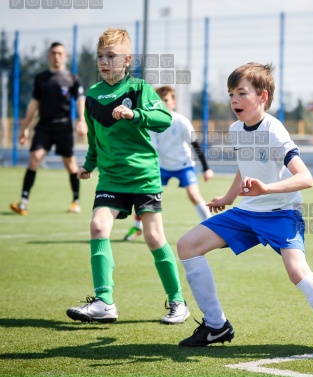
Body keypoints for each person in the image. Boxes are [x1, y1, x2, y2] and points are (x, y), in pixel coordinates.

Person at [176, 62, 313, 363]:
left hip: (281, 213)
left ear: (262, 96)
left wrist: (266, 188)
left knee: (297, 272)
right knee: (187, 246)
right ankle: (216, 326)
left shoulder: (274, 130)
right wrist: (228, 197)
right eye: (231, 94)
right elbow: (245, 166)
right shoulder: (237, 129)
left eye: (241, 93)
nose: (234, 101)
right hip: (247, 213)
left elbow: (305, 178)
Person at [65, 28, 190, 325]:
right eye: (100, 57)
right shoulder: (92, 97)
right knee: (98, 226)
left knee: (153, 237)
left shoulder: (139, 88)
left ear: (127, 60)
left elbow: (164, 119)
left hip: (143, 175)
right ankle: (104, 302)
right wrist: (89, 164)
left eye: (111, 56)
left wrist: (135, 115)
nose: (105, 62)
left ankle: (178, 302)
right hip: (110, 178)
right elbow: (95, 138)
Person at [124, 85, 213, 241]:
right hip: (162, 166)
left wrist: (206, 168)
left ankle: (212, 227)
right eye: (159, 101)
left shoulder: (181, 121)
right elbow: (149, 147)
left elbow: (195, 144)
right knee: (143, 195)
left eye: (166, 100)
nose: (163, 103)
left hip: (184, 165)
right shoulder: (151, 122)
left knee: (193, 195)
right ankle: (137, 228)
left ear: (174, 103)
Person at [9, 42, 86, 216]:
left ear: (65, 56)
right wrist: (26, 127)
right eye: (53, 53)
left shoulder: (72, 78)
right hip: (44, 125)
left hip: (64, 125)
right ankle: (23, 202)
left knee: (70, 163)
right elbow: (34, 103)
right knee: (34, 158)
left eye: (60, 53)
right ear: (49, 56)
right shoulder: (41, 78)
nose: (56, 56)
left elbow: (81, 100)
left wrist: (82, 120)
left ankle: (76, 201)